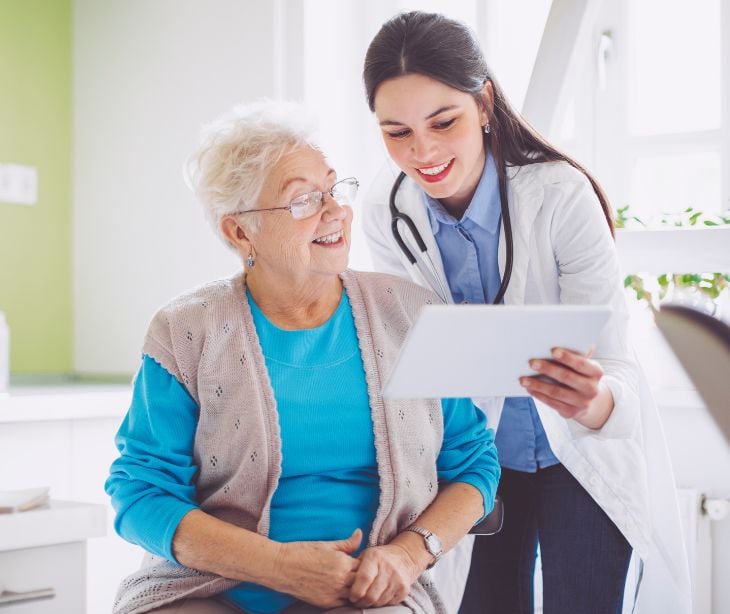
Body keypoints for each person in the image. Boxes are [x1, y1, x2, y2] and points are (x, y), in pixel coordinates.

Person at [105, 101, 500, 614]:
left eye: (334, 189)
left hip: (365, 592)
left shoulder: (411, 314)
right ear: (240, 231)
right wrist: (276, 566)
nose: (335, 211)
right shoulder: (185, 331)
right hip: (210, 586)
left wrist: (407, 553)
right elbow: (140, 492)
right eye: (303, 201)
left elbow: (474, 466)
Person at [361, 11, 691, 614]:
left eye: (444, 121)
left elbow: (613, 359)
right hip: (470, 463)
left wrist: (590, 401)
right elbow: (409, 347)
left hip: (581, 460)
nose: (423, 152)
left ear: (484, 102)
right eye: (396, 132)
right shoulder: (386, 208)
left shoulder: (560, 194)